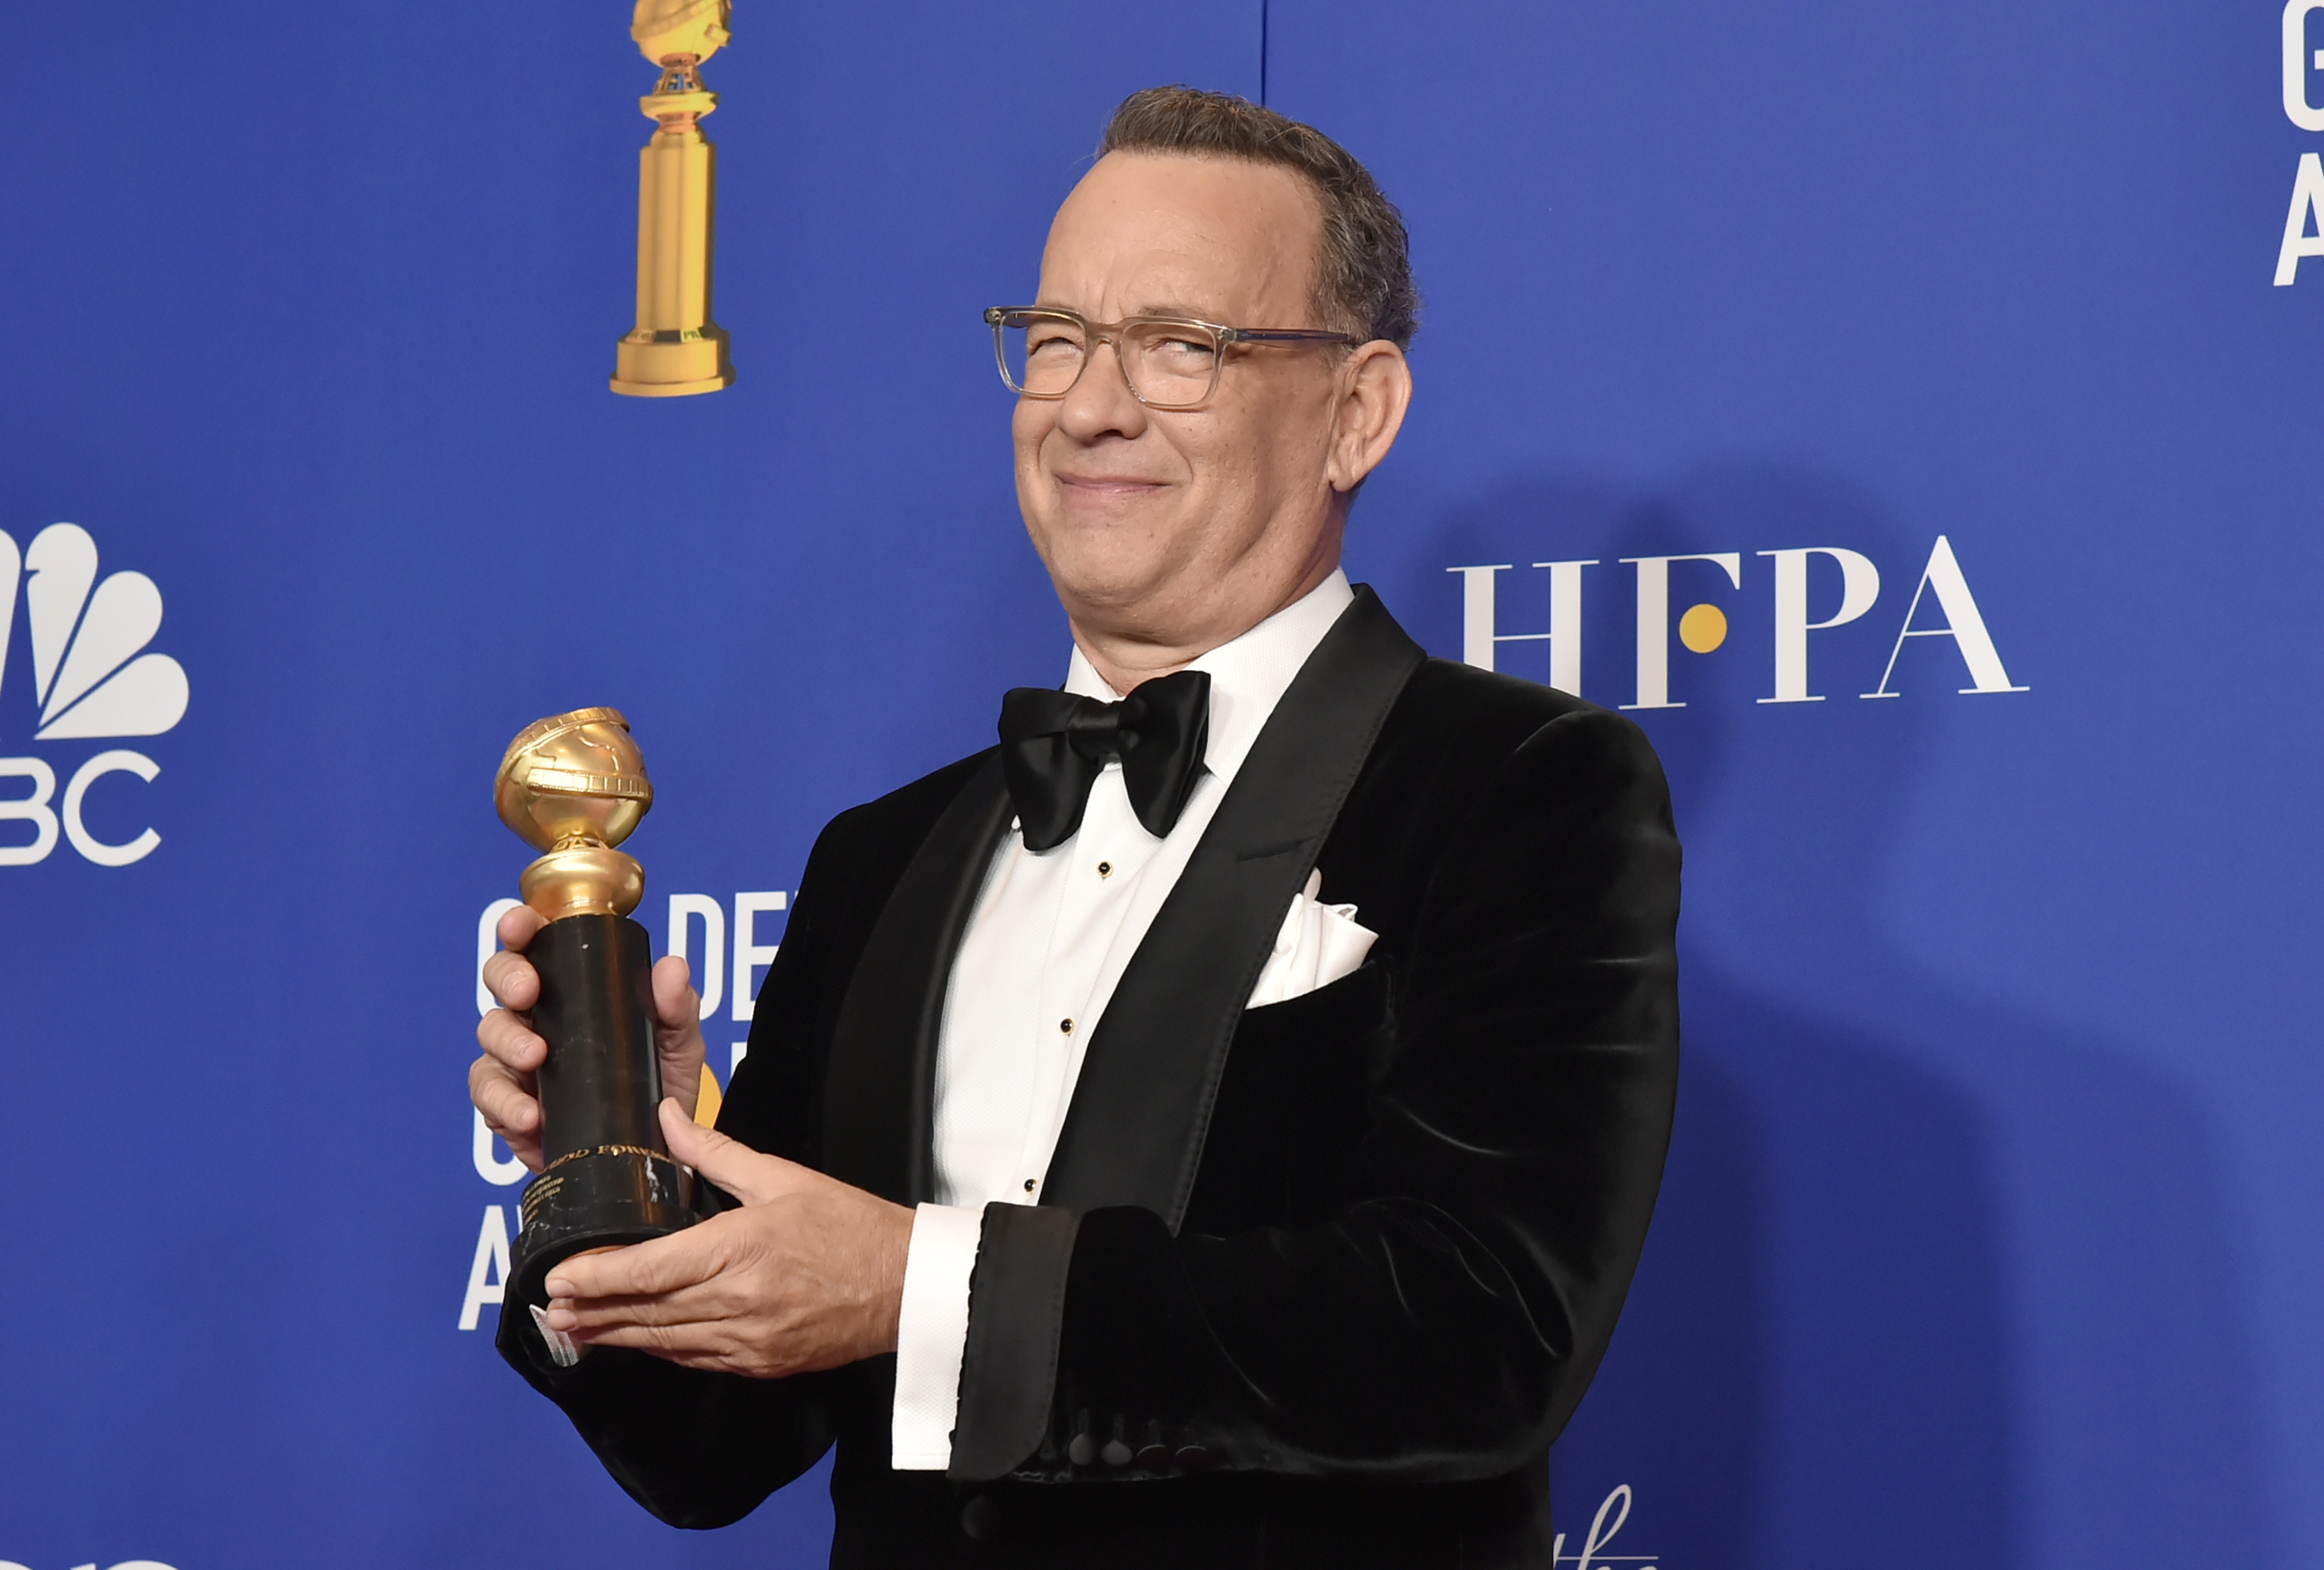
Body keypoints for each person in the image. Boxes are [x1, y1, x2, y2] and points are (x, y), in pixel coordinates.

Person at [470, 84, 1680, 1569]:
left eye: (1183, 347)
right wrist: (621, 1172)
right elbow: (713, 1454)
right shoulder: (881, 858)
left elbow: (1479, 1331)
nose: (1090, 405)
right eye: (1055, 341)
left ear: (1355, 411)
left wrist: (920, 1289)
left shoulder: (1522, 786)